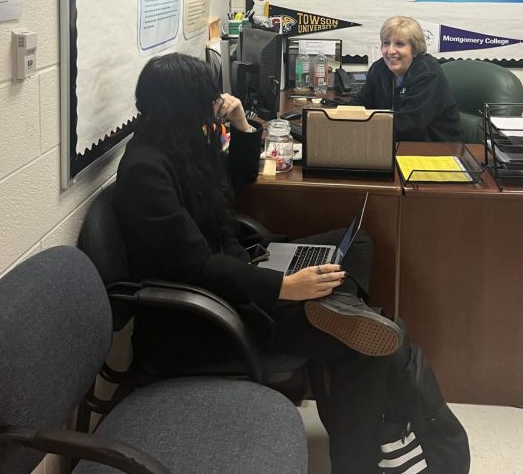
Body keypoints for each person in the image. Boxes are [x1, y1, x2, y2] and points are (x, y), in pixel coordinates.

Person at [114, 53, 469, 474]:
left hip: (238, 271)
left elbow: (234, 182)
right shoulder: (145, 171)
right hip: (211, 314)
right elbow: (196, 266)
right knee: (368, 346)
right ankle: (361, 456)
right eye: (207, 101)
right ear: (183, 105)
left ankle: (341, 308)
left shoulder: (180, 141)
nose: (215, 106)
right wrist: (284, 288)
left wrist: (243, 124)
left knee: (355, 243)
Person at [354, 16, 461, 142]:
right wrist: (335, 113)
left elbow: (409, 125)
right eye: (386, 43)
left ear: (415, 49)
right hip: (394, 143)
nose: (390, 51)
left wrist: (362, 128)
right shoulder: (379, 68)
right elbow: (361, 103)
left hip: (437, 149)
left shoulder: (428, 73)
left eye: (399, 44)